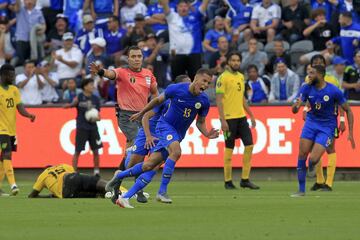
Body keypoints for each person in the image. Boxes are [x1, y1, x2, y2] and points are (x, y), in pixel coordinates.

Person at [106, 68, 219, 208]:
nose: (206, 85)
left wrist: (207, 134)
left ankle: (124, 193)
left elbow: (200, 122)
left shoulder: (203, 101)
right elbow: (156, 101)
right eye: (204, 81)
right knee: (176, 152)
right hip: (164, 126)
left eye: (209, 83)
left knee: (150, 166)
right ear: (195, 78)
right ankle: (162, 192)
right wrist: (141, 114)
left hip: (177, 134)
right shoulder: (174, 90)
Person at [118, 74, 191, 204]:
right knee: (131, 165)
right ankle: (128, 156)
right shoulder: (166, 100)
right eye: (186, 84)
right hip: (148, 132)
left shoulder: (188, 102)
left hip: (163, 136)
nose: (189, 86)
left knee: (153, 166)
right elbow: (146, 117)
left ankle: (134, 193)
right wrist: (148, 136)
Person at [291, 65, 355, 197]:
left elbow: (348, 109)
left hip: (327, 127)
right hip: (310, 124)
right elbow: (294, 109)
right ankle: (301, 190)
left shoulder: (333, 91)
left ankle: (313, 166)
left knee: (314, 158)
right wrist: (296, 106)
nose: (309, 76)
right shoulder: (306, 87)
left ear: (320, 75)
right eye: (308, 73)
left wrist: (350, 132)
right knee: (302, 154)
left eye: (312, 73)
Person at [89, 46, 158, 170]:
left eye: (139, 56)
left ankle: (116, 182)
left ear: (142, 58)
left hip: (143, 116)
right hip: (126, 116)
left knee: (132, 151)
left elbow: (154, 94)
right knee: (140, 145)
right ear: (128, 59)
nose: (137, 59)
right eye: (133, 56)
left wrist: (154, 109)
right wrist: (101, 71)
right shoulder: (122, 72)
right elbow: (110, 74)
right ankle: (136, 187)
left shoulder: (148, 74)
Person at [215, 52, 259, 190]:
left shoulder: (241, 77)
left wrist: (251, 115)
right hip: (228, 119)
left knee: (249, 145)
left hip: (241, 118)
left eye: (238, 60)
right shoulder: (223, 78)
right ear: (228, 62)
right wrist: (222, 120)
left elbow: (242, 99)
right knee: (229, 148)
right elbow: (219, 101)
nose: (236, 63)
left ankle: (245, 179)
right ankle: (228, 181)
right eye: (233, 60)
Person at [304, 55, 345, 192]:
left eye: (320, 63)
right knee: (315, 148)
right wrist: (305, 108)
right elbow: (307, 98)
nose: (317, 65)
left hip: (330, 120)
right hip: (315, 120)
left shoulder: (332, 80)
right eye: (315, 63)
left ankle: (329, 183)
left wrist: (342, 119)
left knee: (330, 149)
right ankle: (319, 181)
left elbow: (340, 101)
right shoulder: (308, 80)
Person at [0, 64, 35, 196]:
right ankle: (13, 185)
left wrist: (29, 115)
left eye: (14, 75)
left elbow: (20, 108)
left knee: (3, 159)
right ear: (3, 75)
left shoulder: (14, 90)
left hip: (11, 131)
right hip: (1, 130)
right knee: (7, 154)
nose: (13, 77)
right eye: (11, 75)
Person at [159, 0, 210, 80]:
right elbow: (164, 3)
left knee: (196, 80)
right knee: (177, 80)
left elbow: (205, 2)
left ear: (188, 7)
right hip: (177, 54)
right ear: (177, 8)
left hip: (194, 53)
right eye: (181, 6)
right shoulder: (172, 17)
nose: (183, 8)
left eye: (185, 6)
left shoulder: (196, 16)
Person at [64, 78, 102, 176]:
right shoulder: (79, 97)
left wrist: (95, 118)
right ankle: (73, 172)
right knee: (77, 151)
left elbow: (99, 116)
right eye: (90, 85)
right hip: (82, 127)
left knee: (96, 150)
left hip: (93, 128)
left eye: (92, 84)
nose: (92, 86)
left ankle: (96, 172)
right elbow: (73, 104)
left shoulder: (96, 99)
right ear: (85, 86)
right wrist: (69, 105)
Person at [28, 164, 128, 198]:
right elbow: (76, 176)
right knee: (99, 184)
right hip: (71, 177)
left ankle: (110, 194)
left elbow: (32, 195)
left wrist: (50, 196)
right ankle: (124, 191)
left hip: (66, 193)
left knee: (97, 195)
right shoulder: (63, 165)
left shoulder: (42, 176)